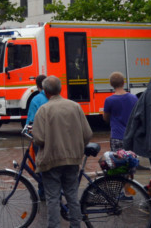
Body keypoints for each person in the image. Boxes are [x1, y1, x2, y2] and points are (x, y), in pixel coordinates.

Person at [32, 76, 93, 228]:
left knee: (53, 198)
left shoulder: (43, 110)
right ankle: (75, 225)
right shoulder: (75, 106)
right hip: (72, 159)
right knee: (72, 196)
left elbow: (38, 139)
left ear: (45, 91)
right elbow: (87, 134)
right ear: (60, 89)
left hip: (51, 160)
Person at [103, 72, 138, 152]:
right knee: (132, 161)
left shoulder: (109, 100)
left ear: (111, 84)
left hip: (116, 136)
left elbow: (105, 118)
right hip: (131, 136)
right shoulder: (134, 98)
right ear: (123, 82)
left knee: (118, 162)